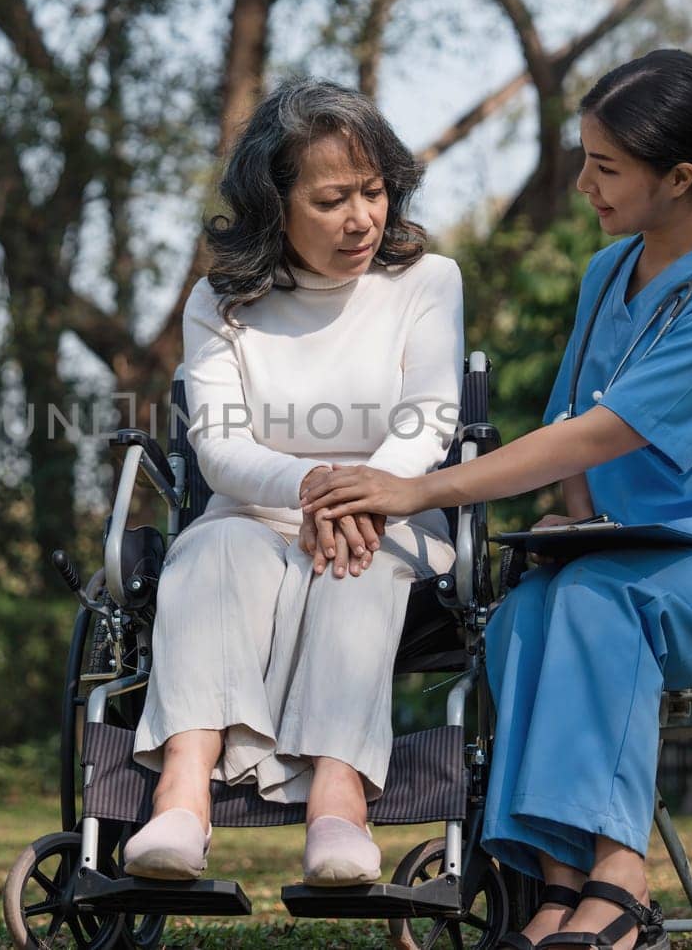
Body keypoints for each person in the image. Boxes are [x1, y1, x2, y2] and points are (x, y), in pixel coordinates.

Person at [299, 49, 692, 950]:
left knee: (597, 603)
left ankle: (620, 878)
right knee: (524, 612)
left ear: (679, 178)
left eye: (606, 167)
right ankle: (555, 887)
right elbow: (572, 429)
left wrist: (418, 489)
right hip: (639, 557)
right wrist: (572, 516)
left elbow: (604, 431)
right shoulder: (608, 274)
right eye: (584, 157)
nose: (585, 184)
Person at [121, 78, 465, 887]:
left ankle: (338, 805)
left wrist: (365, 495)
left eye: (374, 192)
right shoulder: (219, 301)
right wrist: (318, 484)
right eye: (333, 198)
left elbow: (430, 417)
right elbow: (219, 447)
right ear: (275, 206)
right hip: (255, 513)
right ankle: (181, 797)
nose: (361, 218)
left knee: (358, 560)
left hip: (397, 516)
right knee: (211, 552)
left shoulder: (426, 282)